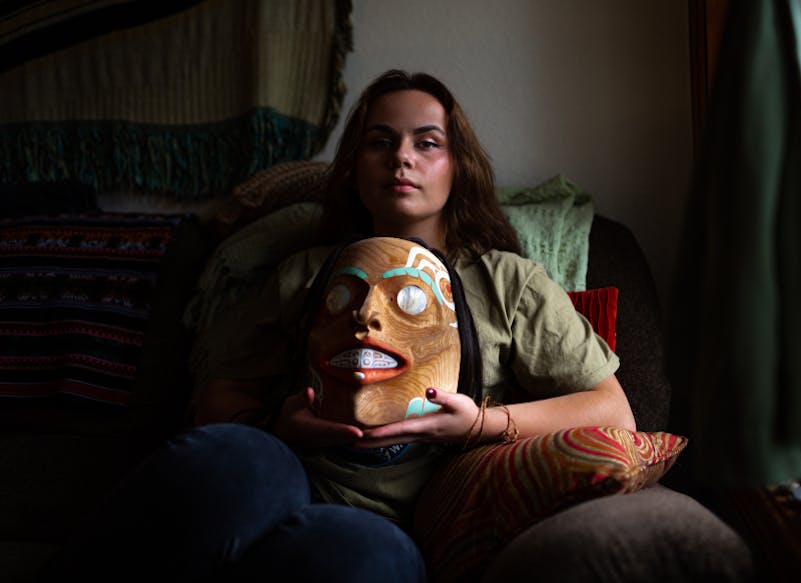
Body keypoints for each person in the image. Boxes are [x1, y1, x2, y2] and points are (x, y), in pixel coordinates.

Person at [43, 69, 635, 583]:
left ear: (459, 167)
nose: (401, 156)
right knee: (231, 466)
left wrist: (479, 424)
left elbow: (613, 412)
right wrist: (279, 424)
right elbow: (221, 391)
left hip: (385, 520)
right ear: (355, 166)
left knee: (362, 563)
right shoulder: (303, 270)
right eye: (381, 141)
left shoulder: (508, 283)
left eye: (427, 143)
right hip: (284, 466)